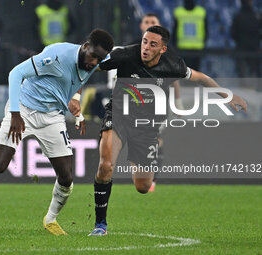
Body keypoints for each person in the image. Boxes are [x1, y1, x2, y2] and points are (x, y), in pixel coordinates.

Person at [0, 29, 114, 236]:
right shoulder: (56, 55)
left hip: (52, 117)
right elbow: (16, 73)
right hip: (23, 109)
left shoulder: (94, 61)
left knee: (66, 177)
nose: (95, 62)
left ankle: (50, 220)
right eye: (93, 56)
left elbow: (78, 79)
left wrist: (76, 106)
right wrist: (15, 113)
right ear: (85, 46)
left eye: (100, 59)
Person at [88, 25, 247, 236]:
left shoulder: (173, 64)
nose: (146, 47)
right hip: (118, 114)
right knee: (106, 165)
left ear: (162, 49)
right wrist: (73, 93)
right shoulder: (125, 55)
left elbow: (201, 78)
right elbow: (90, 65)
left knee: (143, 186)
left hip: (146, 126)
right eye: (145, 41)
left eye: (152, 44)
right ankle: (100, 224)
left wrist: (228, 95)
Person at [129, 12, 185, 192]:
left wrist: (178, 100)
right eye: (146, 22)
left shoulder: (166, 49)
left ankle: (152, 179)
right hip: (134, 102)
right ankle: (140, 176)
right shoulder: (133, 47)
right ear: (140, 26)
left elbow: (174, 76)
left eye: (152, 22)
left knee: (156, 138)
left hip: (158, 102)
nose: (149, 24)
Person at [172, 0, 207, 70]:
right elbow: (174, 30)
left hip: (197, 49)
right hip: (183, 48)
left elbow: (206, 29)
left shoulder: (201, 12)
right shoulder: (178, 12)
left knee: (194, 74)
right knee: (185, 74)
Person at [231, 0, 262, 80]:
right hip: (254, 49)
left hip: (242, 49)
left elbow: (233, 34)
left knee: (243, 75)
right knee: (254, 74)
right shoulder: (257, 16)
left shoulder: (238, 16)